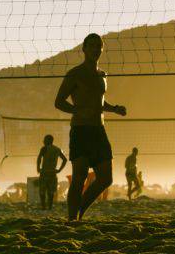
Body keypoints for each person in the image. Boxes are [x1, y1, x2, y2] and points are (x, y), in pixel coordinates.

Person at [54, 33, 127, 221]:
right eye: (92, 46)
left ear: (102, 49)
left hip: (98, 130)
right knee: (79, 178)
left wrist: (115, 109)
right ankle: (72, 219)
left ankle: (80, 211)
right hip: (80, 130)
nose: (96, 49)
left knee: (106, 178)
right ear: (84, 49)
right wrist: (77, 111)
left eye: (99, 46)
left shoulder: (102, 75)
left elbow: (100, 101)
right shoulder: (75, 74)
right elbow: (59, 102)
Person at [36, 134, 68, 210]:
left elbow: (39, 158)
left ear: (48, 141)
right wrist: (59, 170)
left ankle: (43, 207)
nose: (43, 141)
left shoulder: (44, 148)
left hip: (44, 172)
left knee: (42, 190)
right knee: (51, 191)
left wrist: (38, 168)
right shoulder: (57, 149)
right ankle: (49, 207)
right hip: (53, 172)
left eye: (44, 140)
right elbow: (65, 160)